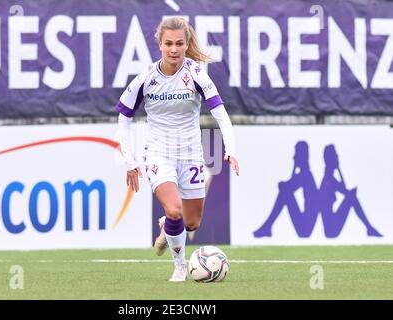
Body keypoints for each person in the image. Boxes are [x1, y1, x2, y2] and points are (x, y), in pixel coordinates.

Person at [116, 17, 239, 282]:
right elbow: (124, 117)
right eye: (168, 43)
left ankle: (166, 229)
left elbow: (221, 114)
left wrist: (230, 148)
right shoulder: (146, 78)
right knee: (174, 210)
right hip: (159, 153)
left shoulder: (196, 75)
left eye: (179, 44)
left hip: (191, 154)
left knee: (191, 223)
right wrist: (129, 159)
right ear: (160, 44)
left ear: (186, 45)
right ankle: (181, 266)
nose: (174, 49)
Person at [253, 141, 320, 238]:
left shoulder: (305, 174)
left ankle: (267, 226)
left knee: (285, 192)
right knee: (285, 192)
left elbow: (286, 186)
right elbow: (289, 185)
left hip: (305, 227)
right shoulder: (304, 173)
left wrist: (294, 166)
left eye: (296, 154)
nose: (294, 157)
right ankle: (267, 226)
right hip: (304, 224)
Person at [319, 144, 382, 238]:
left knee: (351, 196)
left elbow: (344, 189)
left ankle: (369, 228)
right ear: (330, 159)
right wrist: (338, 168)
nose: (337, 157)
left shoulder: (330, 178)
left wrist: (338, 169)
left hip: (332, 225)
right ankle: (369, 228)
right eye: (335, 156)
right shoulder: (328, 179)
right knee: (352, 196)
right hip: (331, 229)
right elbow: (345, 191)